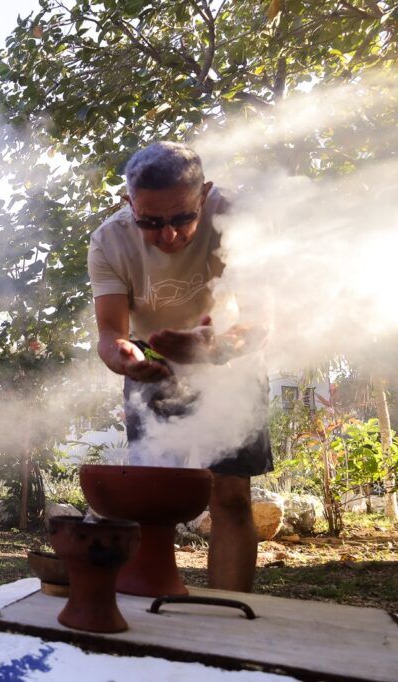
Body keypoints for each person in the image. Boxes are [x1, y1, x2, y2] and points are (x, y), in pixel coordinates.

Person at [87, 141, 272, 592]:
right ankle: (153, 605)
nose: (167, 236)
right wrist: (126, 359)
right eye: (150, 221)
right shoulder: (109, 241)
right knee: (152, 498)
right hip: (153, 364)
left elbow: (260, 321)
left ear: (204, 194)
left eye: (182, 218)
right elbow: (110, 334)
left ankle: (228, 614)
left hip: (230, 361)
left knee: (230, 495)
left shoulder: (237, 217)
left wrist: (217, 348)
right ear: (129, 202)